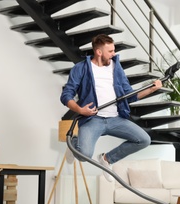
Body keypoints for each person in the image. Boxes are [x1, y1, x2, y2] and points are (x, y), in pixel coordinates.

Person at [60, 34, 162, 182]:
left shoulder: (116, 68)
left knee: (144, 139)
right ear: (98, 52)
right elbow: (66, 95)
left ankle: (107, 159)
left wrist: (152, 89)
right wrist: (80, 110)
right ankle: (73, 143)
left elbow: (129, 95)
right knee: (84, 155)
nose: (114, 54)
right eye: (110, 51)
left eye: (114, 50)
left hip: (115, 119)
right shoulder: (81, 68)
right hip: (92, 119)